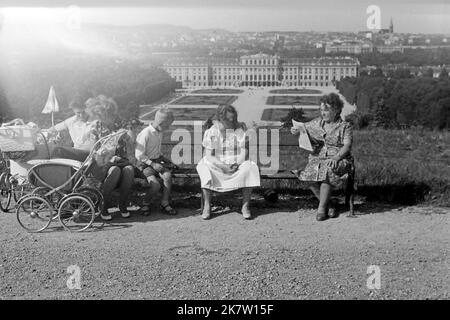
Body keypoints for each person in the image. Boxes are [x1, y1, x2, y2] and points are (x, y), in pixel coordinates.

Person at [291, 93, 354, 221]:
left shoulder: (345, 126)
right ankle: (330, 204)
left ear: (336, 110)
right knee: (306, 175)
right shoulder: (316, 123)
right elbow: (302, 127)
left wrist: (336, 158)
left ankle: (321, 209)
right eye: (321, 110)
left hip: (339, 158)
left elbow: (347, 146)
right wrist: (295, 131)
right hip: (318, 159)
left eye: (326, 110)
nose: (322, 113)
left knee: (328, 170)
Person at [196, 104, 260, 220]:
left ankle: (245, 206)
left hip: (235, 162)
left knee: (250, 167)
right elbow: (210, 156)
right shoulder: (213, 132)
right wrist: (224, 167)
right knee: (204, 167)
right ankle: (206, 206)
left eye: (234, 119)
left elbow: (244, 151)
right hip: (217, 163)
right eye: (229, 119)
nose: (232, 121)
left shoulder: (239, 130)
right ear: (221, 118)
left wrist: (237, 164)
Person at [84, 95, 134, 221]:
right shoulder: (96, 127)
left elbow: (131, 139)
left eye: (102, 114)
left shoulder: (121, 123)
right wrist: (105, 155)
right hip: (103, 163)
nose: (100, 117)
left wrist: (127, 137)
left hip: (121, 160)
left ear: (109, 112)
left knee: (129, 170)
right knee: (114, 170)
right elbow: (93, 151)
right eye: (97, 114)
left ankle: (122, 203)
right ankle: (104, 204)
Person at [135, 108, 177, 216]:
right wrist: (153, 164)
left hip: (156, 162)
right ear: (161, 123)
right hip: (145, 164)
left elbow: (157, 152)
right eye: (167, 125)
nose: (168, 128)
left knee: (167, 176)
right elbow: (138, 155)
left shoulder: (159, 132)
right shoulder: (145, 133)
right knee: (156, 185)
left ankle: (164, 202)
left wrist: (167, 161)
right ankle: (145, 203)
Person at [49, 96, 99, 162]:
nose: (81, 115)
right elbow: (52, 129)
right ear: (73, 110)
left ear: (87, 109)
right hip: (76, 152)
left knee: (58, 150)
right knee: (52, 150)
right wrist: (56, 134)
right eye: (78, 113)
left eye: (83, 112)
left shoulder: (95, 121)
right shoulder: (71, 121)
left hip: (89, 154)